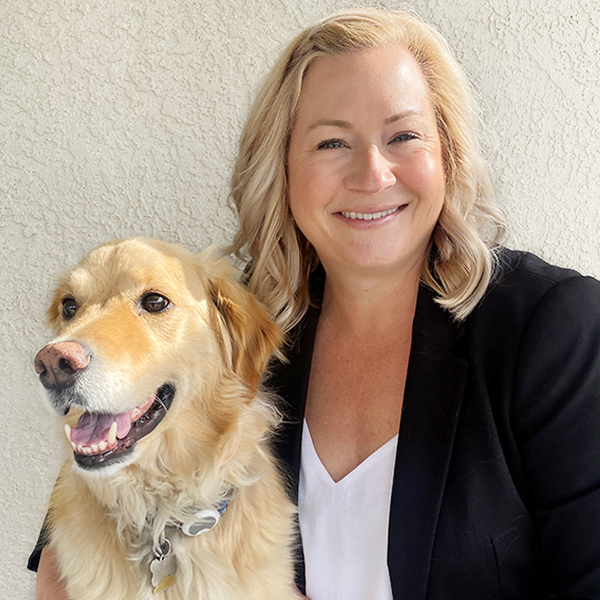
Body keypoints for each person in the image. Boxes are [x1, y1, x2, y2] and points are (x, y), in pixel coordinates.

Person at [32, 8, 600, 599]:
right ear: (282, 169)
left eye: (403, 136)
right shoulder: (238, 325)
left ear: (448, 154)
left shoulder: (557, 329)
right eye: (332, 141)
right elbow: (101, 443)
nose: (372, 173)